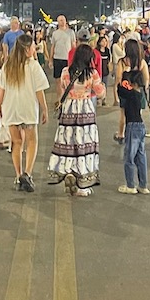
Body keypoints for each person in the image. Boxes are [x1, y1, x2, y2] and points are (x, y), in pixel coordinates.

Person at [48, 43, 105, 195]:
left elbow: (62, 86)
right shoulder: (92, 73)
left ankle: (69, 172)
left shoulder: (66, 71)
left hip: (69, 109)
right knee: (84, 145)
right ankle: (82, 184)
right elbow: (99, 93)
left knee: (69, 142)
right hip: (85, 109)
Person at [0, 33, 51, 192]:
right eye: (33, 46)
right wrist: (44, 109)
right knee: (32, 141)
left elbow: (2, 88)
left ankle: (18, 175)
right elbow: (39, 91)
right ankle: (27, 173)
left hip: (11, 108)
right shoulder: (33, 66)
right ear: (28, 49)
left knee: (16, 143)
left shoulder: (8, 65)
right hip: (28, 108)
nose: (35, 48)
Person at [117, 38, 150, 194]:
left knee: (129, 156)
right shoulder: (142, 63)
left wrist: (124, 81)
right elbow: (146, 80)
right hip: (141, 124)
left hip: (132, 126)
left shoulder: (122, 64)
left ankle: (130, 185)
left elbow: (119, 85)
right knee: (140, 155)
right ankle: (143, 185)